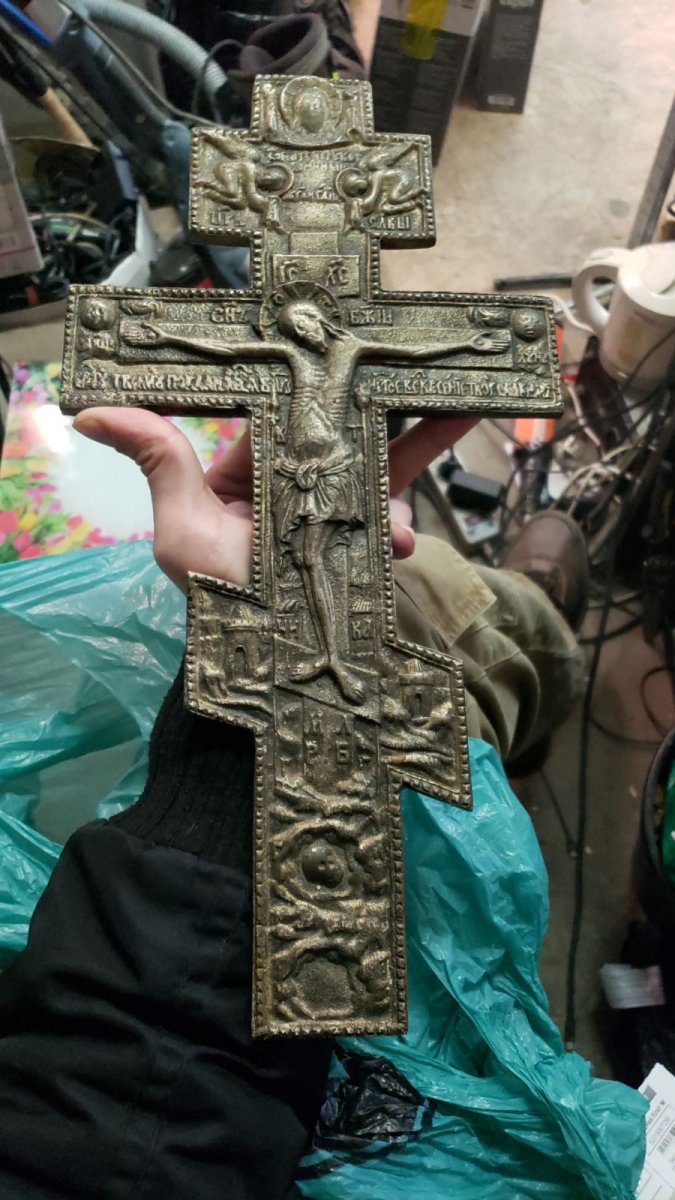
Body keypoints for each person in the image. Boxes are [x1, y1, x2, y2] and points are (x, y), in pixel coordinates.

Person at [0, 407, 586, 1199]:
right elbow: (136, 1129)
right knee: (447, 621)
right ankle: (534, 632)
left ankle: (521, 644)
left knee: (424, 618)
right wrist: (279, 650)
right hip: (210, 1024)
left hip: (139, 997)